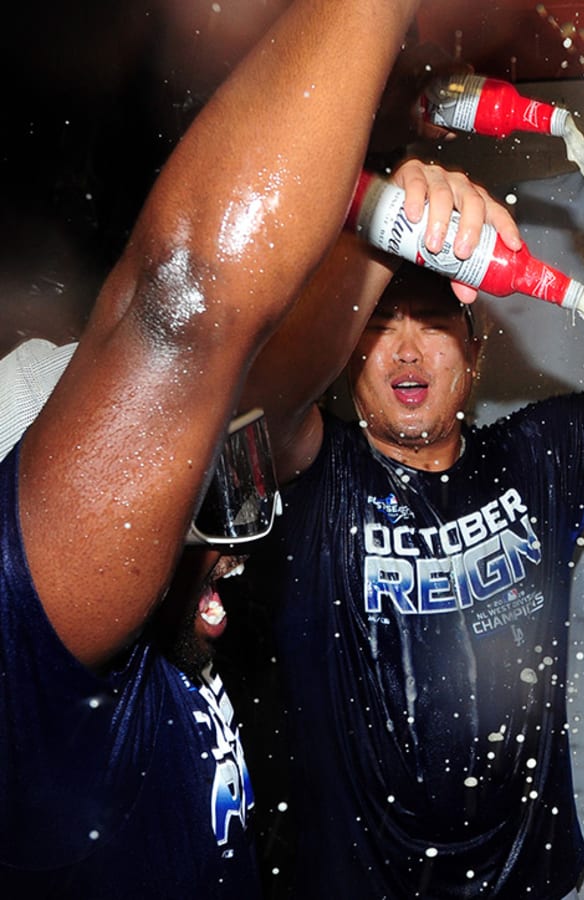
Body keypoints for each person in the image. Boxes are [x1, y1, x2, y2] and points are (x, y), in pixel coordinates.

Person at [0, 1, 501, 894]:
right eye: (191, 508)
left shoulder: (133, 666)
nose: (232, 551)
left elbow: (272, 412)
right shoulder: (34, 663)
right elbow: (186, 302)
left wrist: (385, 231)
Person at [225, 160, 584, 899]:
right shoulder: (310, 476)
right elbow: (262, 389)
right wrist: (380, 228)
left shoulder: (537, 459)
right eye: (379, 327)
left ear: (473, 356)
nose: (407, 350)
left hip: (530, 884)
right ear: (347, 356)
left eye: (433, 324)